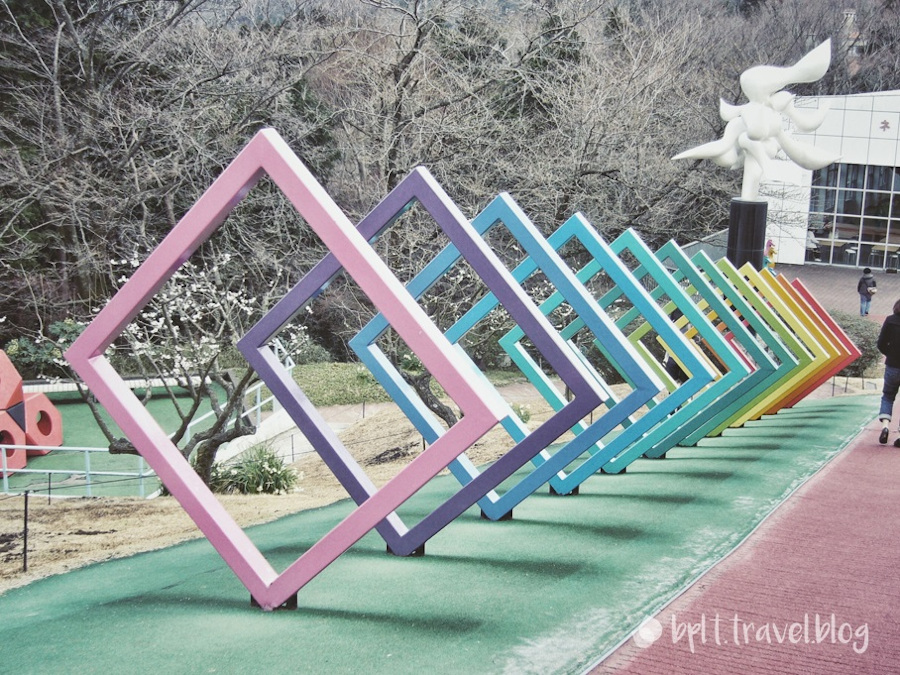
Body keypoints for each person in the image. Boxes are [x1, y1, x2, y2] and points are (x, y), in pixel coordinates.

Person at [877, 298, 900, 445]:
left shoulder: (890, 320)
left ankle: (885, 426)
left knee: (888, 396)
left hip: (892, 365)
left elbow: (880, 343)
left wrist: (889, 354)